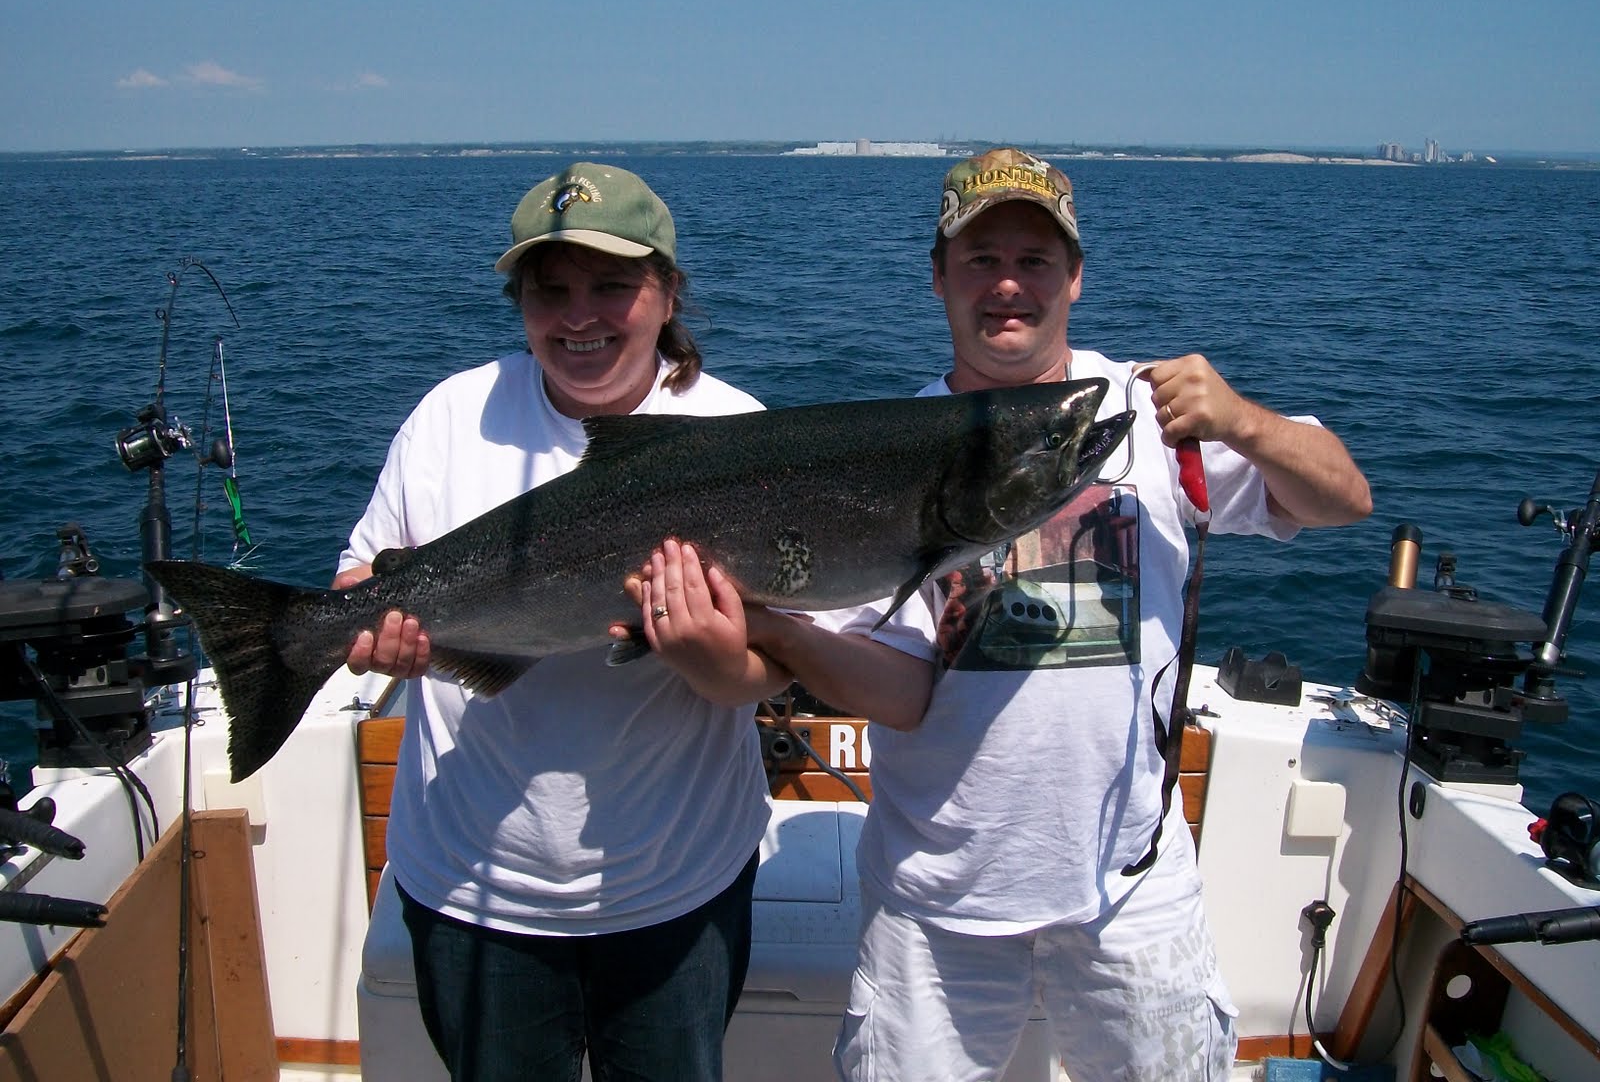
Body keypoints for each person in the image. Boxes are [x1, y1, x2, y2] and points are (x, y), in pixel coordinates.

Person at [727, 148, 1373, 1081]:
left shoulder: (1152, 417)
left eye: (1034, 260)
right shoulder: (888, 453)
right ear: (939, 277)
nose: (1007, 286)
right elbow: (903, 694)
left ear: (1075, 276)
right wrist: (779, 629)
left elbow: (1343, 498)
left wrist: (1243, 421)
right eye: (981, 260)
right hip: (935, 898)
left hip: (1133, 888)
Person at [334, 162, 788, 1082]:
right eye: (550, 290)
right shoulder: (452, 416)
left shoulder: (738, 430)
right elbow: (361, 573)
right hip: (473, 885)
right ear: (521, 301)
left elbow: (774, 666)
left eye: (614, 285)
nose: (580, 315)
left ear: (666, 292)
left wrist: (709, 660)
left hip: (677, 886)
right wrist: (376, 635)